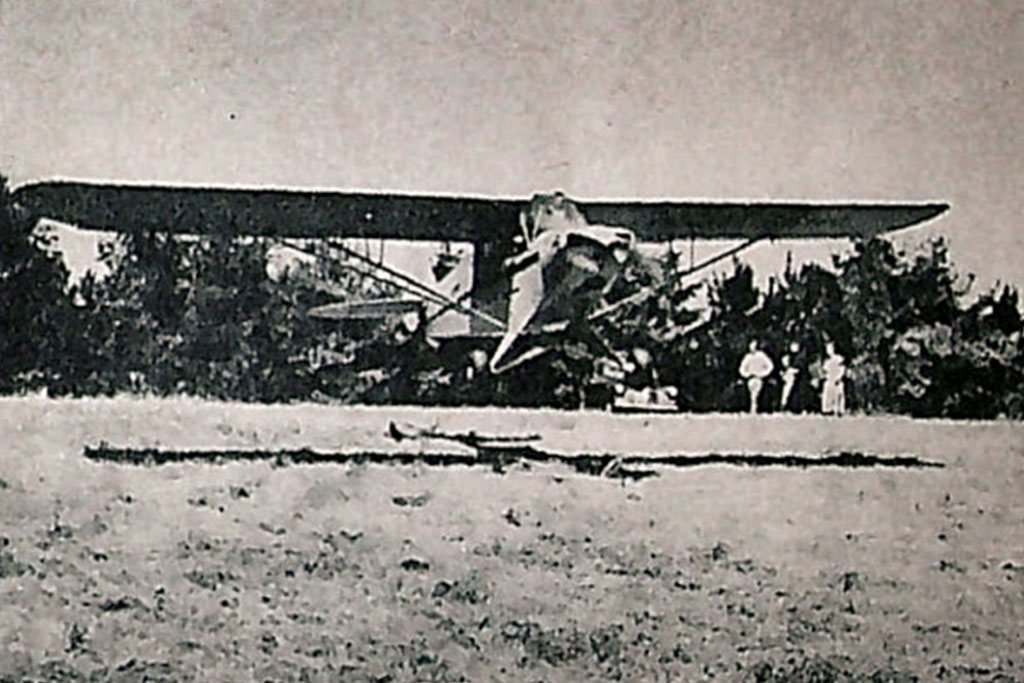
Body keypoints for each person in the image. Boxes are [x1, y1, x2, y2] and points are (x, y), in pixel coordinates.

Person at [738, 340, 774, 414]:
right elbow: (742, 368)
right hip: (751, 378)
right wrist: (747, 374)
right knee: (752, 393)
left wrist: (762, 374)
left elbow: (770, 366)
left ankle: (756, 407)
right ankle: (752, 407)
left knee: (757, 393)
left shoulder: (762, 356)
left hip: (759, 378)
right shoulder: (747, 357)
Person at [821, 341, 847, 415]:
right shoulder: (827, 361)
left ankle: (838, 409)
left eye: (829, 348)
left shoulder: (839, 359)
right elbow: (824, 370)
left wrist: (839, 377)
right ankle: (828, 409)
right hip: (829, 379)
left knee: (838, 394)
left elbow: (842, 369)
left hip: (836, 380)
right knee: (828, 394)